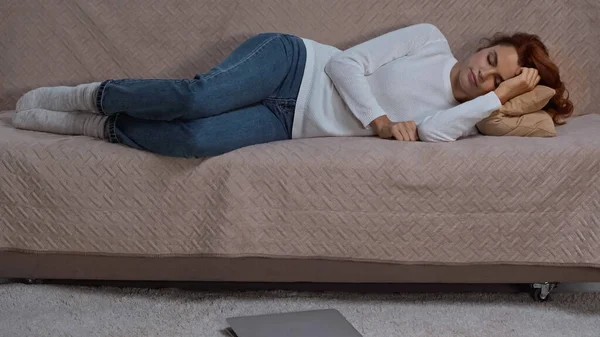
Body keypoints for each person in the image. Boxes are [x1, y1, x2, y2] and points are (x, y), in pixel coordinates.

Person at [13, 23, 573, 158]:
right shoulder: (429, 40)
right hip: (294, 65)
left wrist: (499, 102)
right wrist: (379, 122)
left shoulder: (467, 116)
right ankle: (90, 94)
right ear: (484, 46)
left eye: (500, 80)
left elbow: (429, 132)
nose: (486, 75)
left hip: (289, 121)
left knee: (194, 140)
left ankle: (96, 125)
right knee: (195, 98)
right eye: (492, 61)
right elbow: (347, 65)